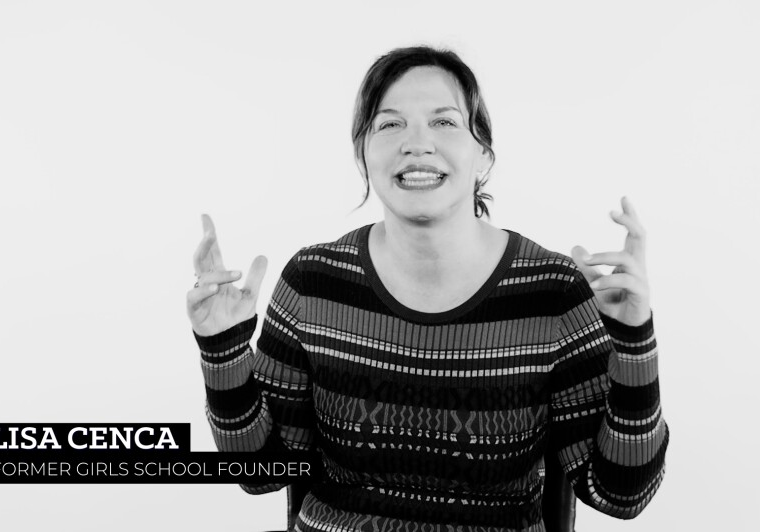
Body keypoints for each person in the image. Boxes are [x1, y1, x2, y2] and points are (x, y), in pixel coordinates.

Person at [186, 46, 668, 531]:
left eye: (444, 122)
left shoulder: (553, 292)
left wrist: (633, 342)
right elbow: (262, 474)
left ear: (483, 155)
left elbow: (620, 494)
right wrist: (223, 349)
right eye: (390, 124)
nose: (417, 143)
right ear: (364, 155)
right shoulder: (313, 282)